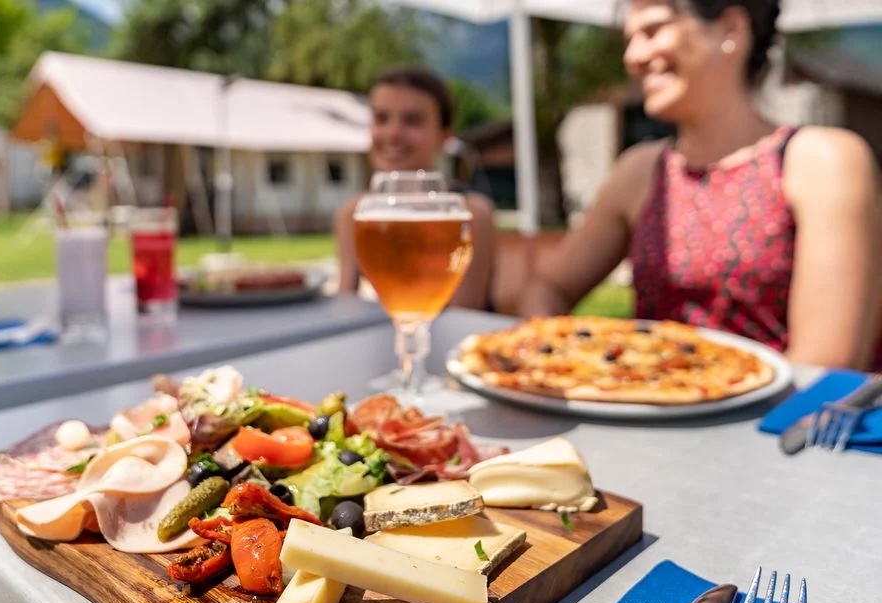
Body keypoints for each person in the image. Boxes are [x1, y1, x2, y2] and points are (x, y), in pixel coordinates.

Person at [520, 0, 882, 370]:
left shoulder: (821, 161)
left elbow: (824, 367)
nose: (633, 56)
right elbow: (547, 287)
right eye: (629, 39)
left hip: (784, 407)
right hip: (651, 397)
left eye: (654, 30)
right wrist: (558, 359)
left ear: (730, 28)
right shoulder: (640, 172)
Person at [334, 67, 496, 311]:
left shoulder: (469, 213)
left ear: (445, 136)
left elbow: (463, 313)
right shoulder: (355, 213)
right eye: (381, 118)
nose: (393, 133)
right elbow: (345, 304)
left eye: (412, 121)